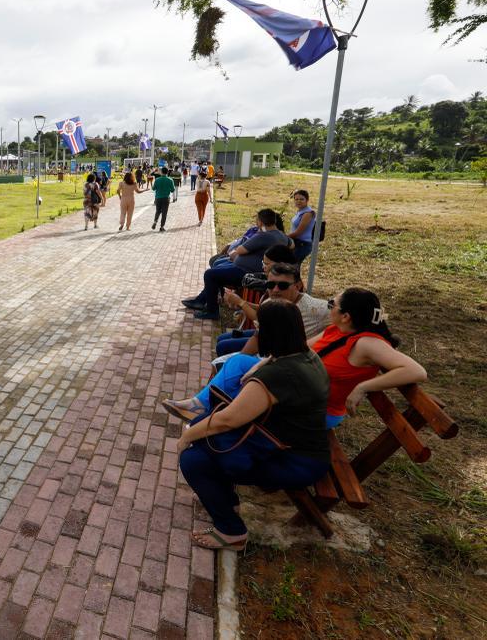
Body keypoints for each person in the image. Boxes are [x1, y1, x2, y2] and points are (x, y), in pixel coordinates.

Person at [176, 300, 331, 550]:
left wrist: (185, 438)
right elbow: (272, 361)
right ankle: (227, 501)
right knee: (204, 436)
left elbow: (228, 420)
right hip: (299, 447)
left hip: (294, 460)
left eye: (260, 326)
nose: (256, 329)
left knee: (193, 458)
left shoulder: (277, 377)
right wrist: (259, 366)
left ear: (270, 333)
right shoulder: (306, 356)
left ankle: (231, 532)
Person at [313, 288, 426, 429]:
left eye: (331, 304)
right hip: (300, 401)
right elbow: (301, 349)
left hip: (319, 412)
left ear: (345, 316)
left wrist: (362, 387)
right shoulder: (336, 330)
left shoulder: (366, 343)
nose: (329, 308)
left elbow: (417, 372)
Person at [183, 209, 291, 319]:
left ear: (260, 222)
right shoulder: (282, 236)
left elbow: (240, 249)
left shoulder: (264, 236)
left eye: (257, 220)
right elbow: (292, 245)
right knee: (217, 269)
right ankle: (201, 300)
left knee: (210, 274)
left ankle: (212, 311)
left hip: (247, 272)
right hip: (247, 267)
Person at [287, 190, 316, 264]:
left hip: (302, 244)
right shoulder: (300, 211)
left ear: (307, 200)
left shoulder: (308, 213)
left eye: (301, 199)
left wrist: (284, 236)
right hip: (295, 242)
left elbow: (298, 232)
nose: (298, 201)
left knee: (292, 266)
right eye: (296, 199)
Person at [150, 167, 176, 232]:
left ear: (161, 172)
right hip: (166, 198)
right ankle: (162, 227)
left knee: (158, 211)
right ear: (167, 172)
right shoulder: (170, 180)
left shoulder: (157, 179)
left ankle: (155, 221)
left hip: (158, 198)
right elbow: (173, 190)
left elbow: (153, 188)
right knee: (164, 213)